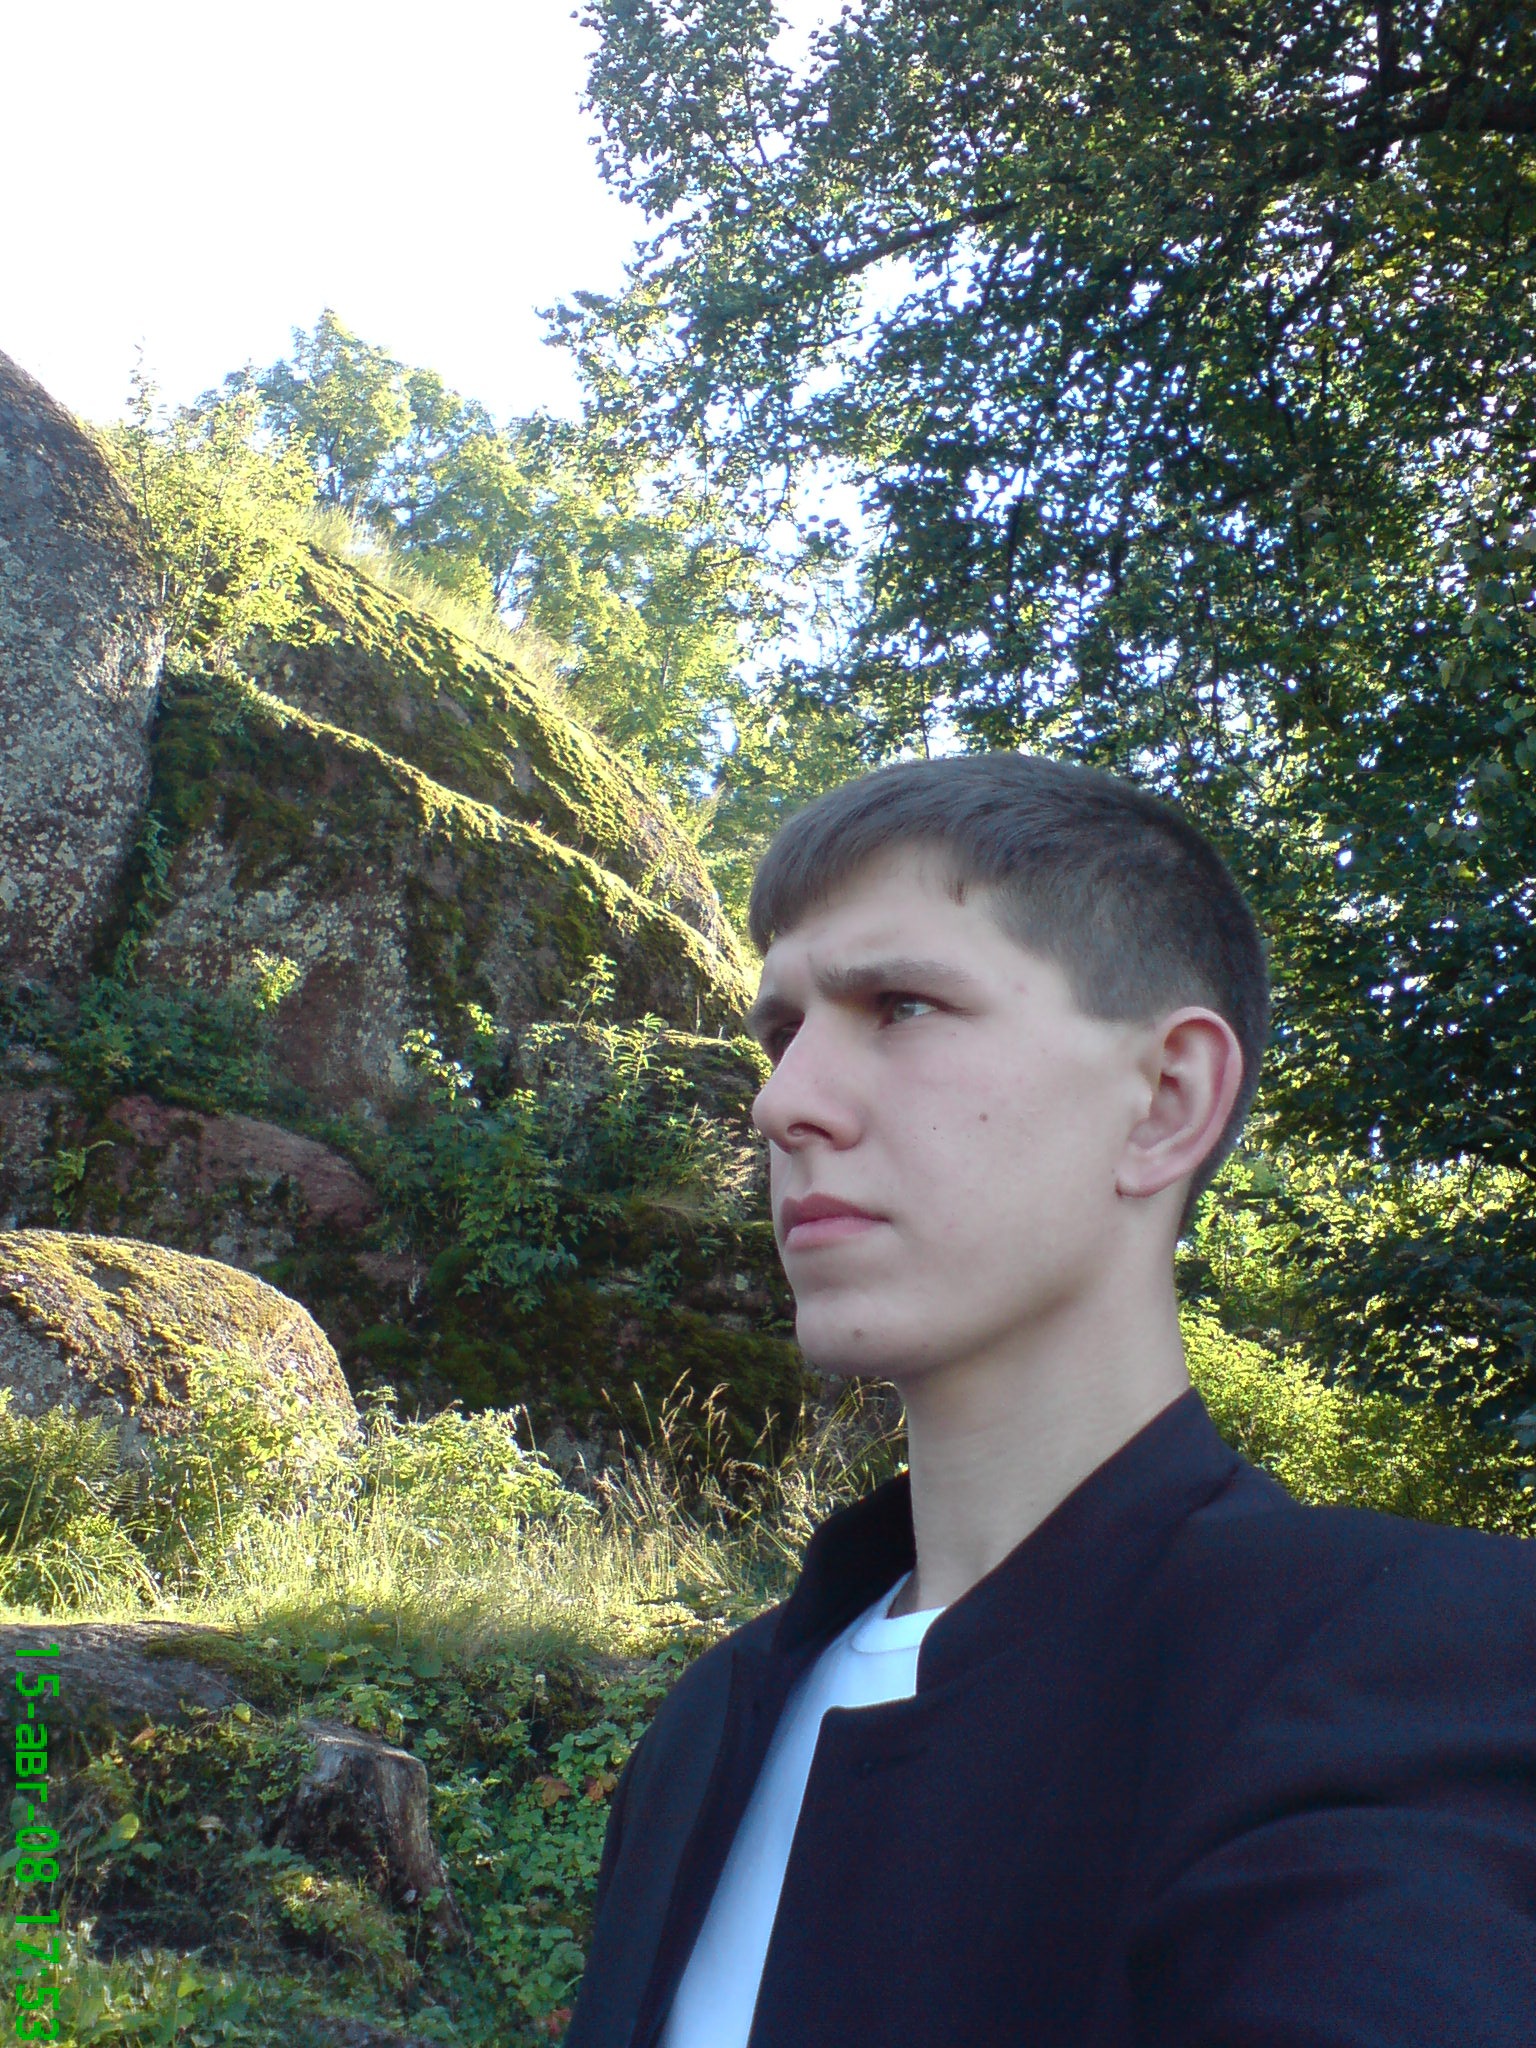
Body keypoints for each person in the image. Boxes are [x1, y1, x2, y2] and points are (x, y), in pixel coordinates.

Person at [563, 752, 1536, 2048]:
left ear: (1166, 1102)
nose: (782, 1104)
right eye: (783, 1034)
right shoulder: (706, 1725)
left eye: (902, 1005)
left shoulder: (1409, 1658)